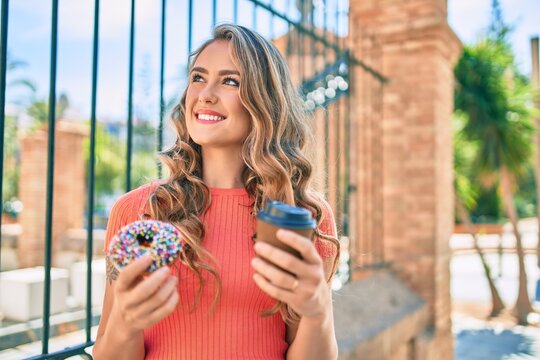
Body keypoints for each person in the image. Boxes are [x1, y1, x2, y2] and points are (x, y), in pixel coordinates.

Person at [93, 24, 340, 360]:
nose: (205, 94)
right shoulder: (138, 210)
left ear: (264, 100)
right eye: (198, 77)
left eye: (230, 81)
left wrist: (317, 311)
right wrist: (125, 322)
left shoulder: (304, 215)